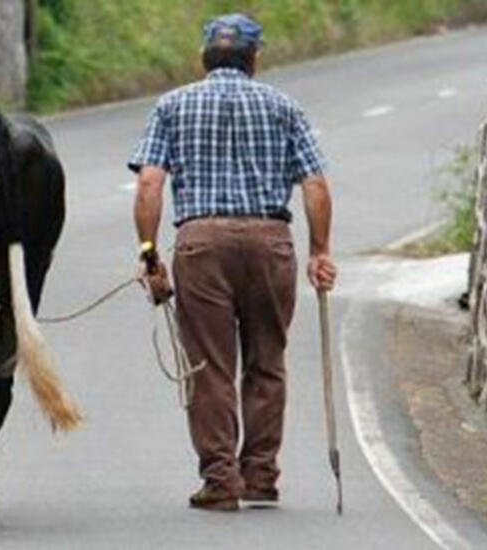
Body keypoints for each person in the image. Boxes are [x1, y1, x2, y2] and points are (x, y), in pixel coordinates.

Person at [128, 13, 337, 511]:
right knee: (267, 362)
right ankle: (260, 475)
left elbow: (149, 183)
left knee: (210, 367)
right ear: (254, 57)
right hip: (271, 242)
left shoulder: (172, 105)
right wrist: (320, 251)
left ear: (203, 57)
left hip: (201, 243)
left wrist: (149, 254)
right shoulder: (284, 106)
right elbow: (315, 185)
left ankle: (221, 480)